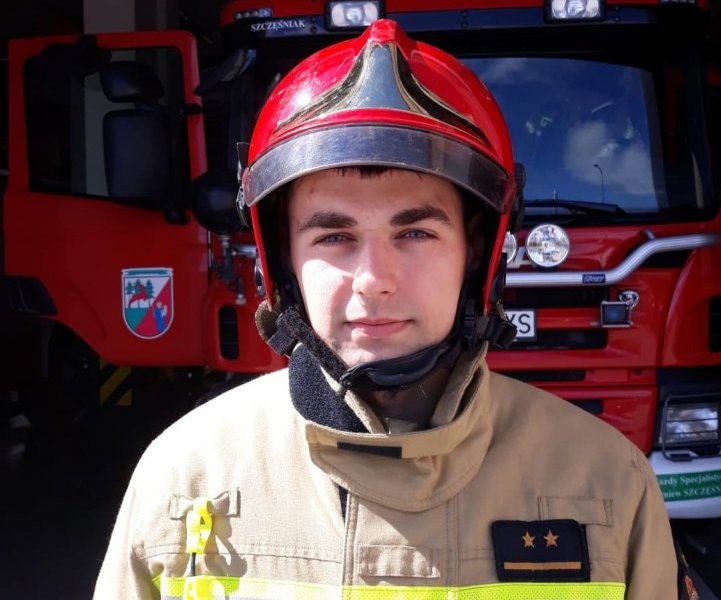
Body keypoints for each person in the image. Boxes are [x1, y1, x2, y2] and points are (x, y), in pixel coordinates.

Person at [94, 19, 678, 600]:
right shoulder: (185, 474)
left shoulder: (610, 484)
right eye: (333, 237)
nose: (373, 281)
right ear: (284, 261)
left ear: (477, 255)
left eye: (416, 233)